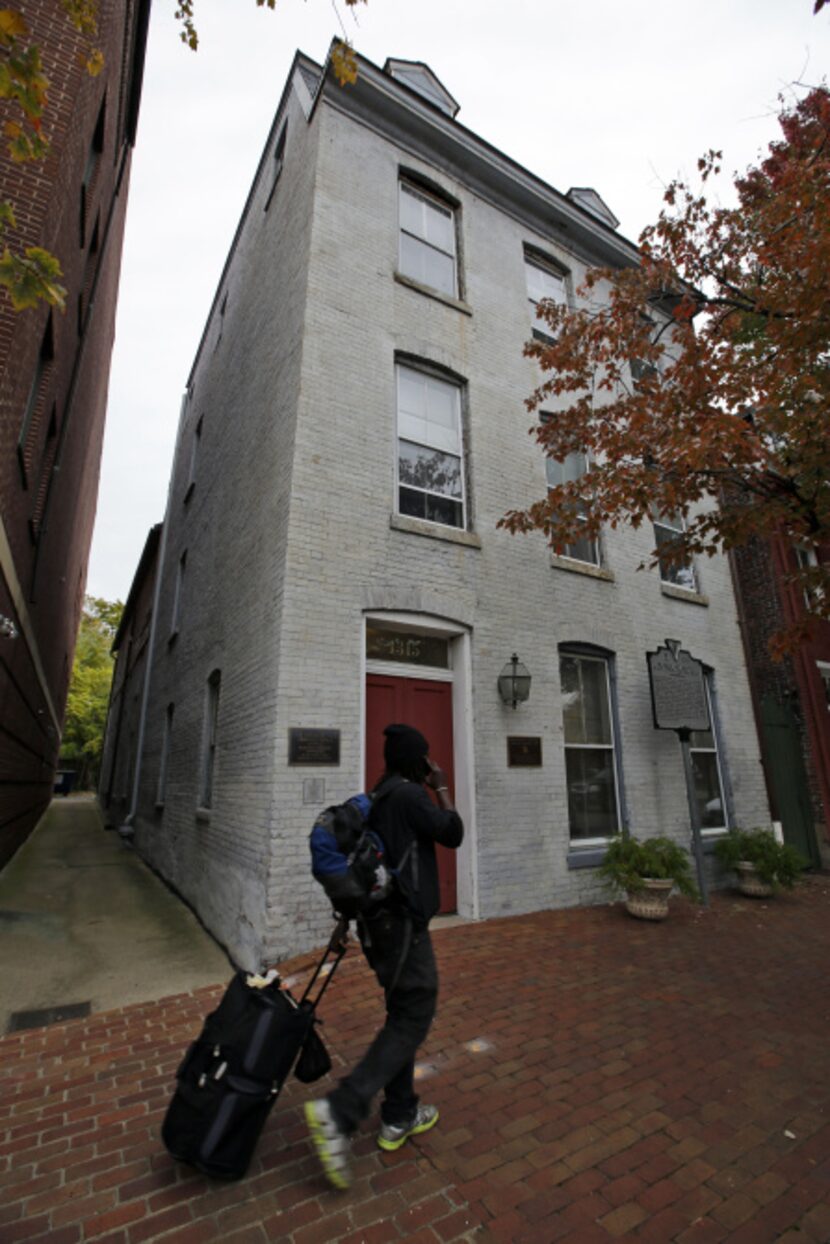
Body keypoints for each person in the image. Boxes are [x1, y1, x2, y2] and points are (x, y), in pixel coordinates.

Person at [304, 722, 464, 1190]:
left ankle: (399, 1113)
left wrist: (346, 919)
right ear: (418, 762)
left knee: (402, 1013)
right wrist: (443, 787)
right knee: (415, 1013)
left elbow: (369, 861)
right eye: (426, 759)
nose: (429, 765)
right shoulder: (413, 796)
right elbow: (452, 831)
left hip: (379, 927)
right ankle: (341, 1109)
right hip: (401, 928)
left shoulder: (377, 798)